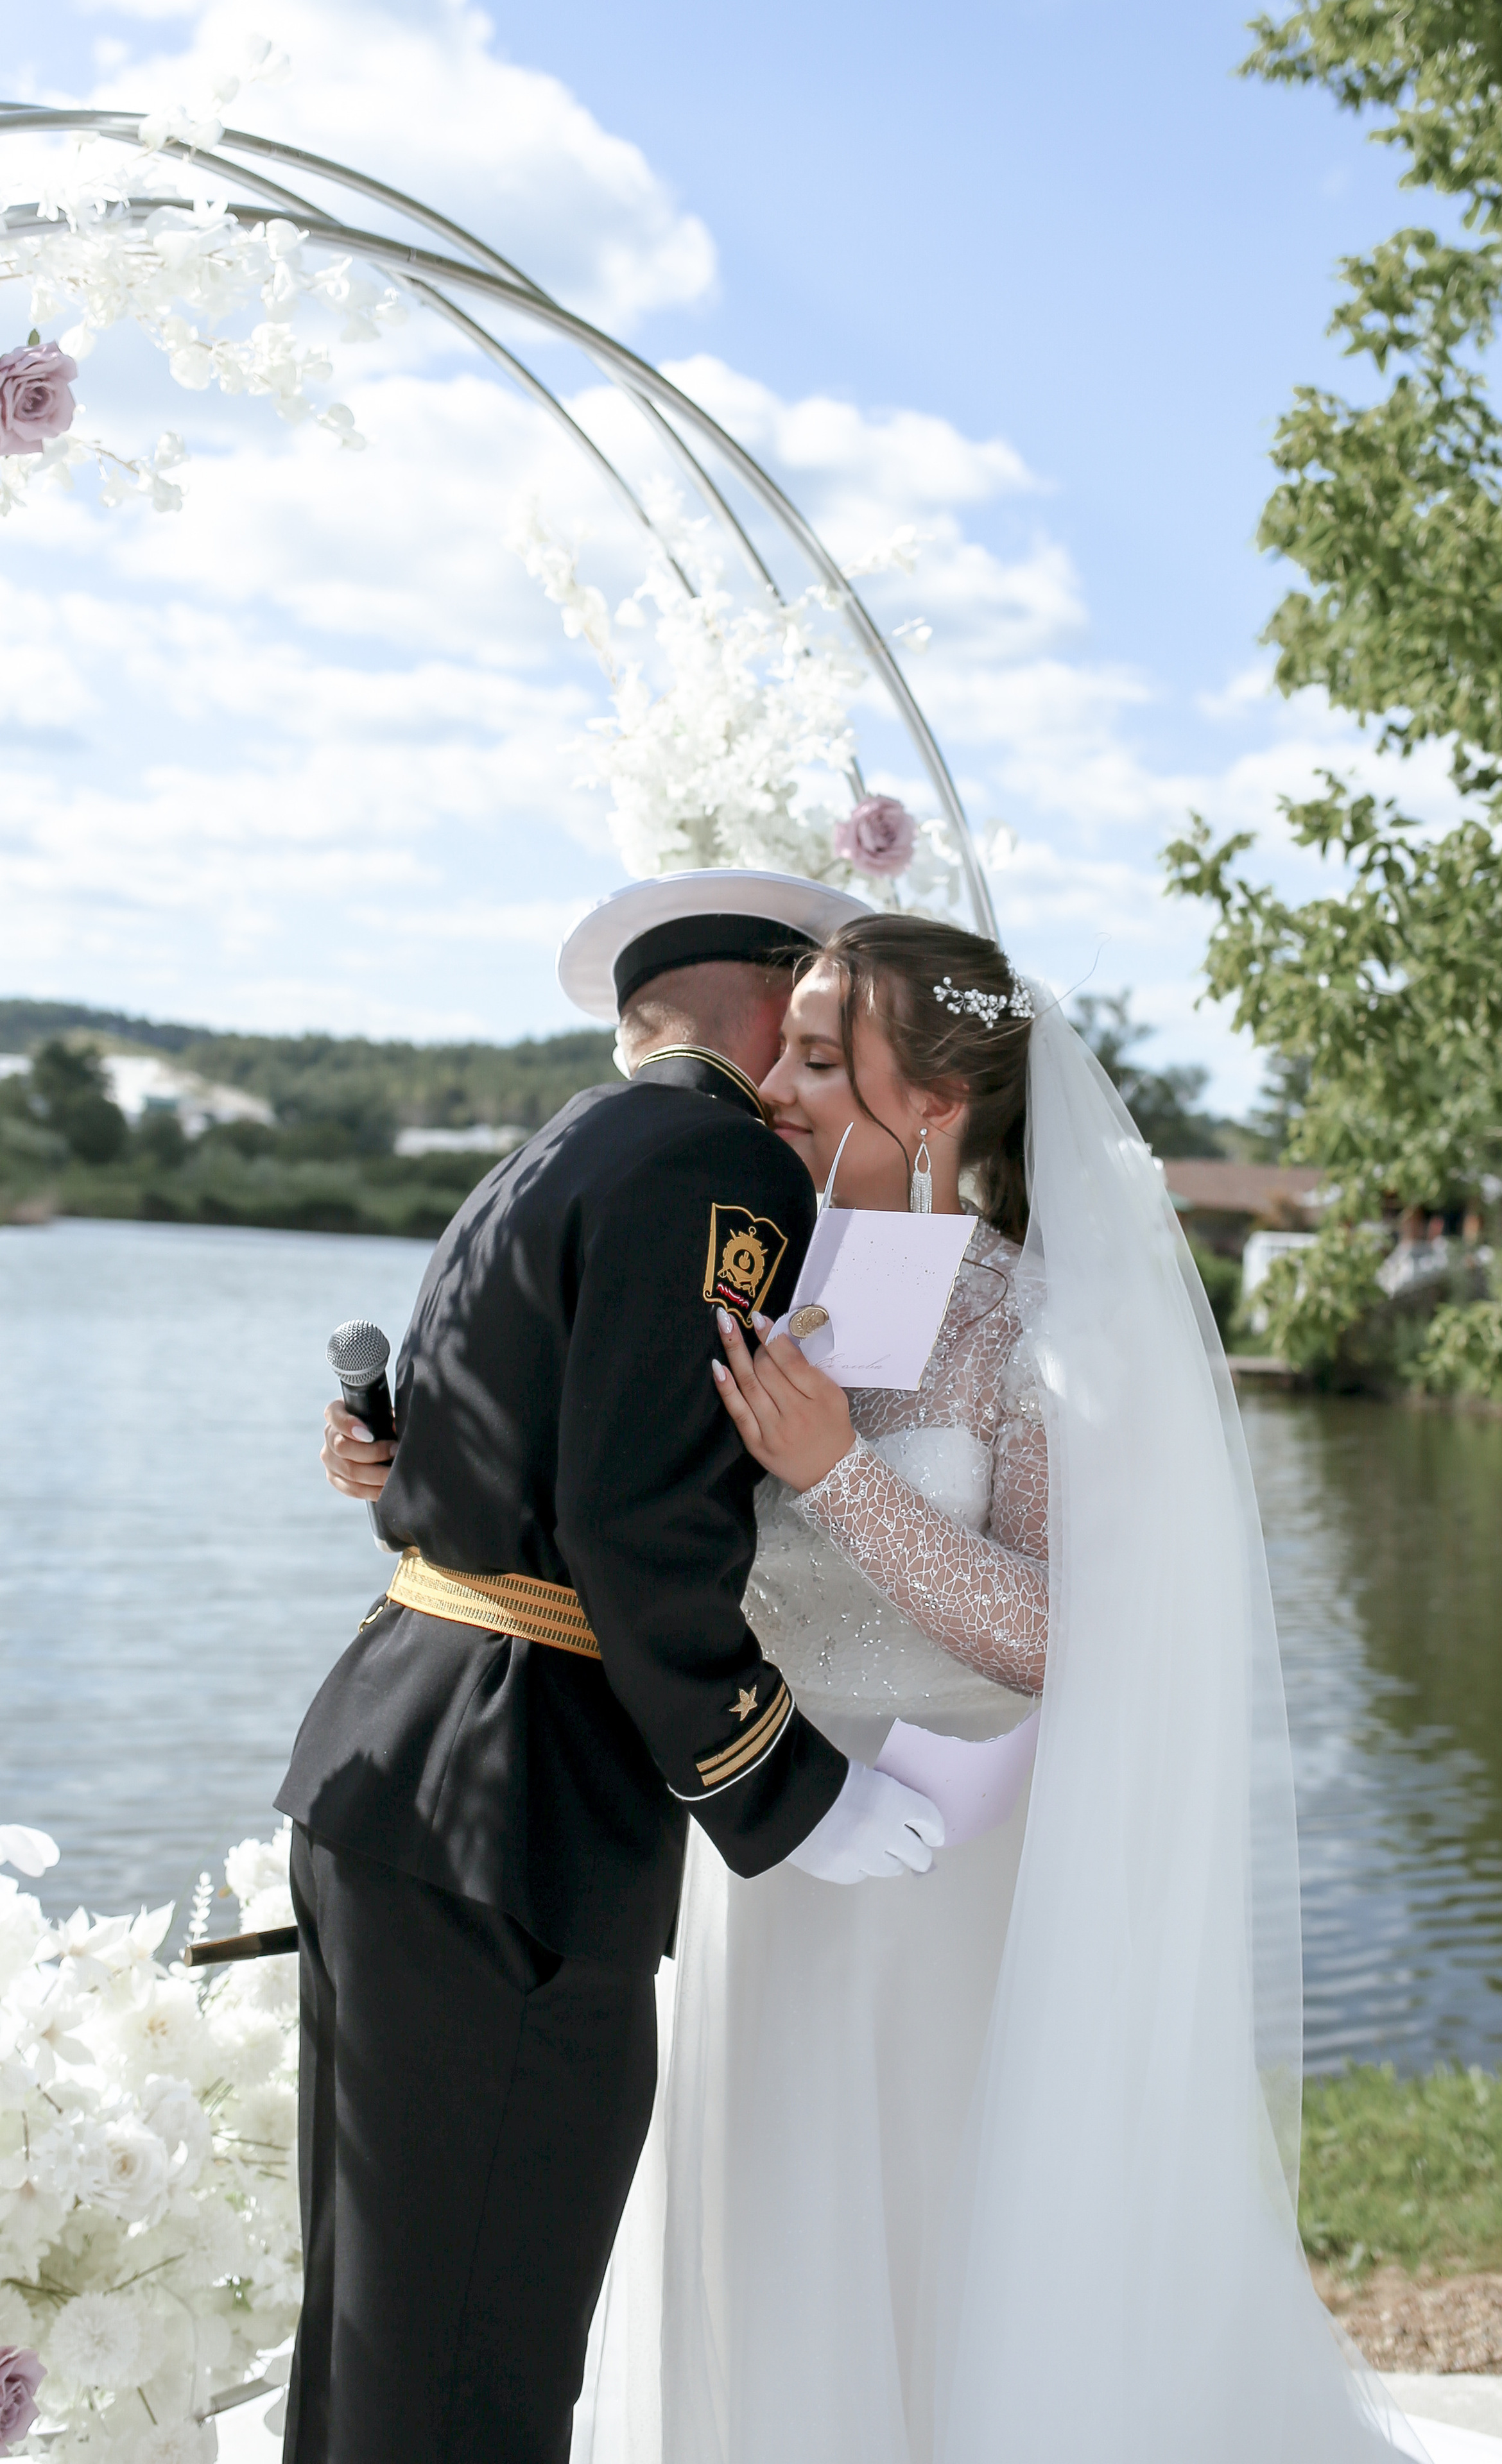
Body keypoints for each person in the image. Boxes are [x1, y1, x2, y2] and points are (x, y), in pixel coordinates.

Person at [562, 913, 1429, 2464]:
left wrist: (838, 1472)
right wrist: (404, 1450)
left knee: (941, 2244)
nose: (777, 1084)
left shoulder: (1030, 1322)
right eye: (784, 1049)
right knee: (764, 2226)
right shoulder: (753, 1272)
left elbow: (1066, 1634)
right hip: (764, 1850)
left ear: (941, 1104)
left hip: (946, 1880)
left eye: (823, 1059)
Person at [281, 869, 947, 2464]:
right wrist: (777, 1783)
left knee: (380, 2332)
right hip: (521, 1809)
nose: (802, 1067)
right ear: (770, 995)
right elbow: (637, 1519)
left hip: (400, 1760)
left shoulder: (550, 1149)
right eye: (802, 1024)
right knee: (478, 2361)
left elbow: (500, 1461)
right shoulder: (718, 1164)